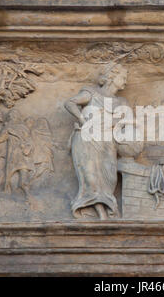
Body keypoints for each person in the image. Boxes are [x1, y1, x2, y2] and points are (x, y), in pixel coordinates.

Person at [64, 62, 128, 220]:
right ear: (112, 77)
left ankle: (109, 209)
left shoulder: (121, 103)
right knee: (90, 177)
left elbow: (122, 121)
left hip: (107, 143)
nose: (125, 81)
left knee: (110, 178)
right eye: (123, 77)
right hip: (86, 140)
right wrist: (82, 120)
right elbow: (70, 103)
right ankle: (101, 214)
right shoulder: (91, 93)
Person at [0, 109, 35, 195]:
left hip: (15, 154)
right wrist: (28, 148)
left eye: (11, 116)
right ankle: (23, 192)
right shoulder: (23, 127)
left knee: (12, 172)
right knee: (22, 171)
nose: (11, 117)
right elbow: (30, 140)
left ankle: (19, 191)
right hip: (23, 154)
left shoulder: (9, 127)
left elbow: (1, 137)